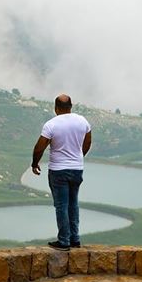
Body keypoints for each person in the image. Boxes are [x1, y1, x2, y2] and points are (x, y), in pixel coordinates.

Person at [31, 93, 92, 250]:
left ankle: (64, 241)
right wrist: (79, 157)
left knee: (61, 205)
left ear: (56, 108)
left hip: (58, 170)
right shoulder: (82, 121)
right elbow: (87, 142)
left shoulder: (51, 125)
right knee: (73, 204)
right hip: (77, 169)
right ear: (71, 107)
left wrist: (35, 163)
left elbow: (40, 147)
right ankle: (75, 239)